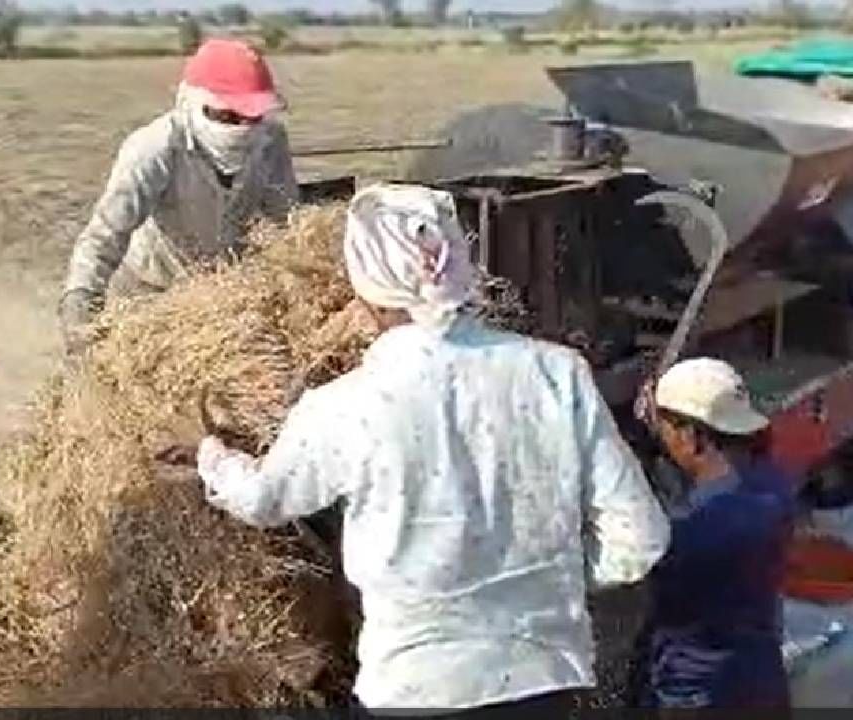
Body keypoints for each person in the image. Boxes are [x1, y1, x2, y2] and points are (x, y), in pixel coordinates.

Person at [191, 184, 671, 714]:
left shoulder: (342, 407)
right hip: (543, 682)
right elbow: (640, 540)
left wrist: (209, 455)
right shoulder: (557, 375)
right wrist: (543, 585)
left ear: (366, 290)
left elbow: (263, 499)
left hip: (414, 688)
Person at [59, 37, 299, 356]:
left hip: (228, 295)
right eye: (228, 117)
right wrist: (81, 299)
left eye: (252, 117)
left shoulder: (270, 142)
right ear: (191, 103)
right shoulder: (153, 149)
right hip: (152, 292)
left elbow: (284, 224)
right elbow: (106, 234)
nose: (242, 127)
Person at [635, 357, 796, 711]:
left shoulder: (690, 533)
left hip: (699, 692)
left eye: (667, 431)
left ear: (692, 437)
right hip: (761, 678)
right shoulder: (775, 488)